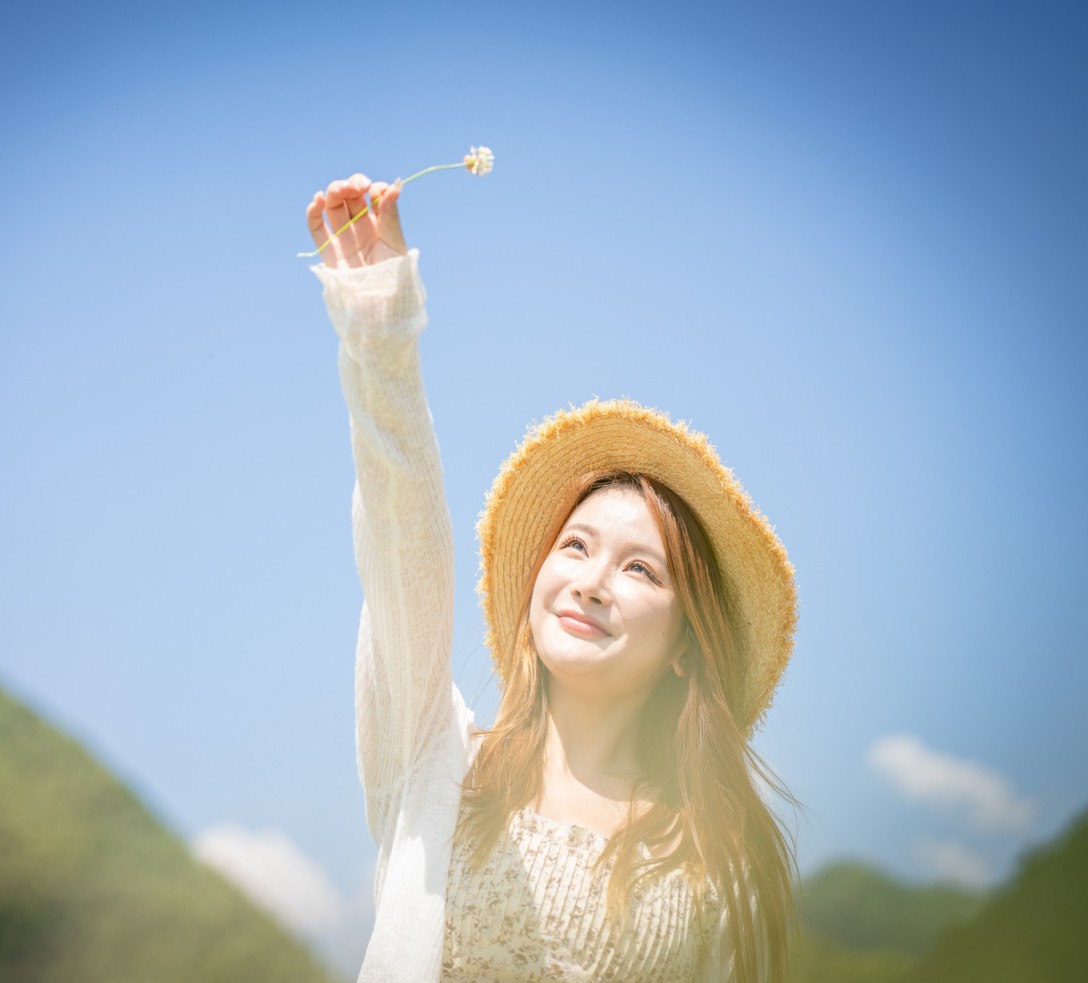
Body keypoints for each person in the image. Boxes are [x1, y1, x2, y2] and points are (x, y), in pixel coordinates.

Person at [306, 173, 797, 983]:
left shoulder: (713, 866)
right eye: (574, 546)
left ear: (687, 644)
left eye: (640, 568)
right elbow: (403, 551)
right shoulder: (440, 763)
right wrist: (382, 333)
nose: (593, 580)